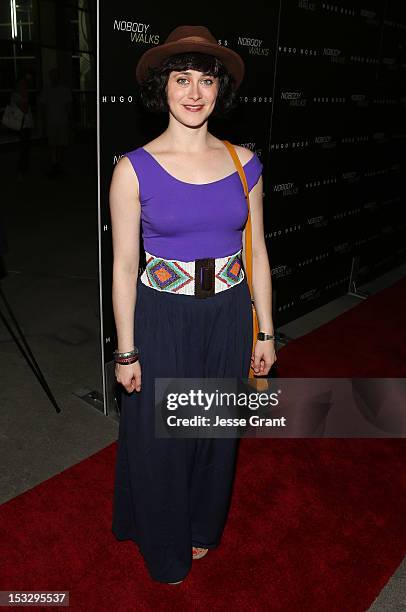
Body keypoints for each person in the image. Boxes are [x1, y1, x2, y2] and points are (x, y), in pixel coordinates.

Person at [110, 25, 277, 585]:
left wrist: (266, 334)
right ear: (164, 87)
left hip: (228, 313)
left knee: (214, 430)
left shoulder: (244, 162)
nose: (195, 92)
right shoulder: (132, 168)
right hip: (163, 317)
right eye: (183, 79)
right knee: (161, 437)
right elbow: (123, 267)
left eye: (207, 81)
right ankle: (163, 542)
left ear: (219, 91)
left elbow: (257, 253)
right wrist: (127, 351)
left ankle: (204, 525)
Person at [39, 67, 73, 176]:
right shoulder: (47, 89)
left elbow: (68, 106)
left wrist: (70, 120)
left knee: (61, 143)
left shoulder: (64, 89)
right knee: (53, 143)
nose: (54, 77)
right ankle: (55, 164)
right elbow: (43, 106)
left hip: (62, 121)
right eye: (52, 75)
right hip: (51, 121)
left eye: (55, 75)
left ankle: (58, 163)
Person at [11, 74, 34, 181]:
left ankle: (24, 169)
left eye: (24, 84)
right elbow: (24, 109)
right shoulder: (16, 95)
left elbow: (28, 111)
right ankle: (21, 170)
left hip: (26, 124)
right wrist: (25, 96)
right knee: (24, 148)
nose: (24, 86)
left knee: (26, 147)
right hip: (21, 125)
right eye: (22, 84)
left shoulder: (23, 94)